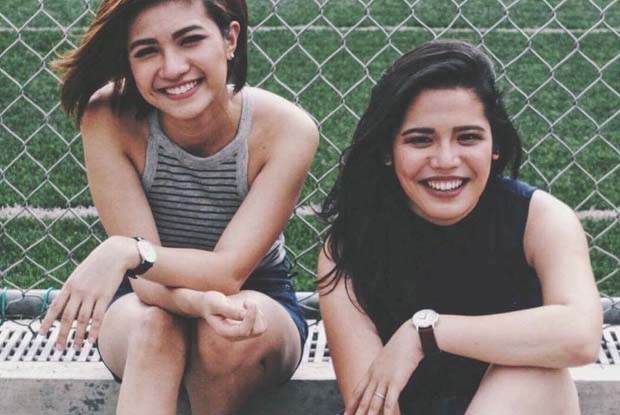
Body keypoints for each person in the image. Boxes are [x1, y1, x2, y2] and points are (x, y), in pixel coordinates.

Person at [38, 1, 318, 414]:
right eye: (146, 51)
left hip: (256, 293)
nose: (172, 68)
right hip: (142, 297)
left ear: (230, 39)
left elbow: (228, 272)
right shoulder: (107, 116)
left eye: (190, 40)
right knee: (154, 328)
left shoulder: (287, 129)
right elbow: (146, 285)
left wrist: (127, 251)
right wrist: (195, 303)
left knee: (224, 332)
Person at [317, 40, 602, 415]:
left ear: (495, 145)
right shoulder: (350, 246)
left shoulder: (540, 219)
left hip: (519, 403)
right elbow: (372, 404)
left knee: (532, 374)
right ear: (388, 151)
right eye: (421, 140)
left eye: (468, 137)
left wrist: (425, 334)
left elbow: (581, 335)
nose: (446, 160)